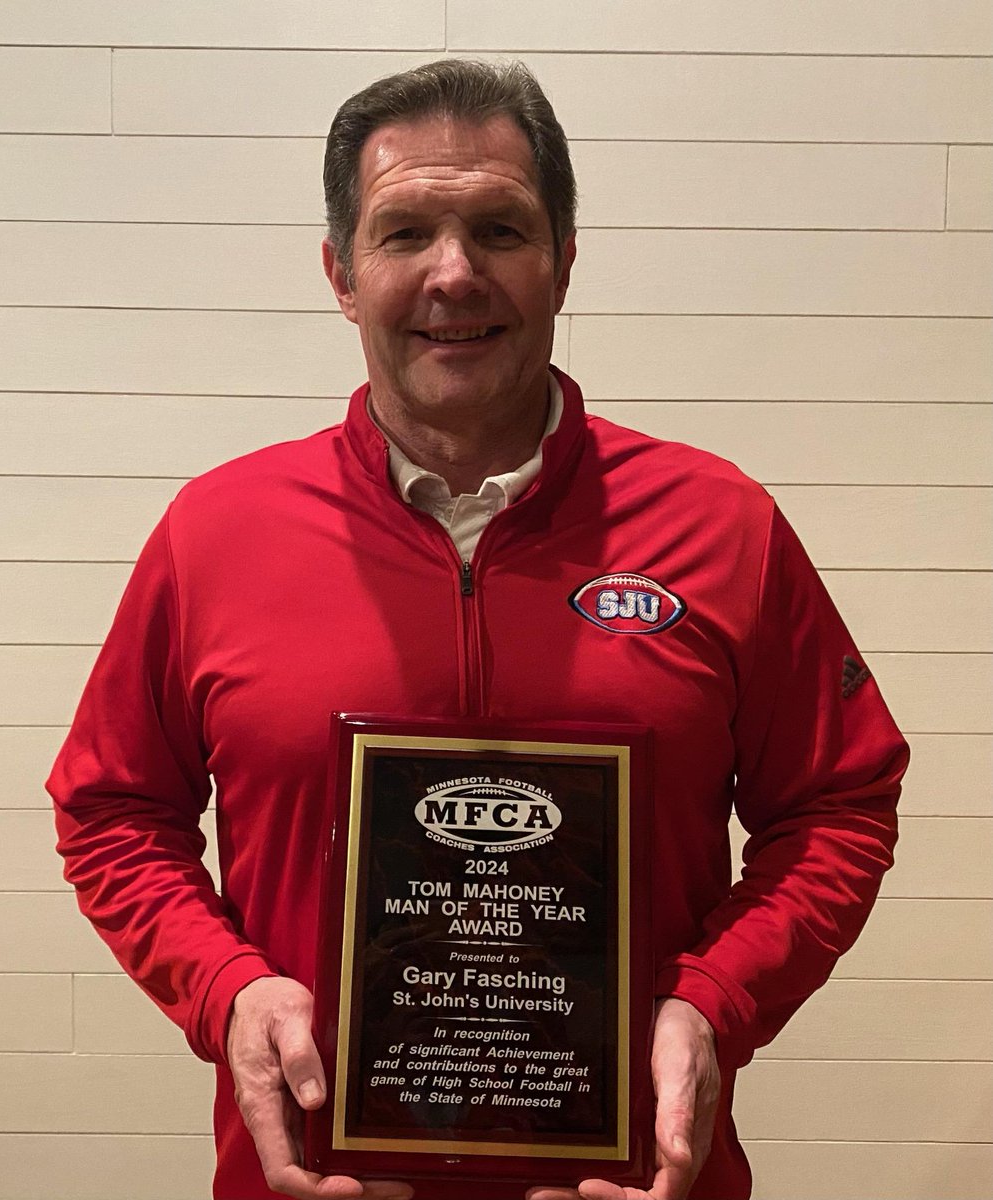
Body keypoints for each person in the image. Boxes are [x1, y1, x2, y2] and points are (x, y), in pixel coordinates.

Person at [48, 59, 908, 1200]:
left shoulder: (722, 525)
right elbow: (111, 809)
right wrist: (227, 989)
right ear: (341, 276)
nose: (454, 274)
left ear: (562, 264)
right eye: (404, 233)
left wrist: (713, 1003)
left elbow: (838, 804)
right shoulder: (216, 532)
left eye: (500, 228)